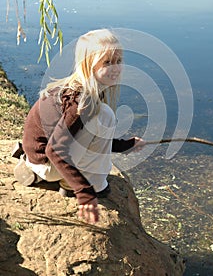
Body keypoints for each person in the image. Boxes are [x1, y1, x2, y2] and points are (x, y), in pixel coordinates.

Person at [14, 29, 145, 223]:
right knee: (106, 115)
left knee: (102, 115)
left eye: (118, 61)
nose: (115, 68)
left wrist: (125, 145)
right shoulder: (80, 104)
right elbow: (55, 150)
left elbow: (90, 134)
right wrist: (84, 192)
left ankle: (47, 173)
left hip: (40, 157)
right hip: (45, 161)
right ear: (88, 65)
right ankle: (76, 183)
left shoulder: (80, 89)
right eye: (107, 62)